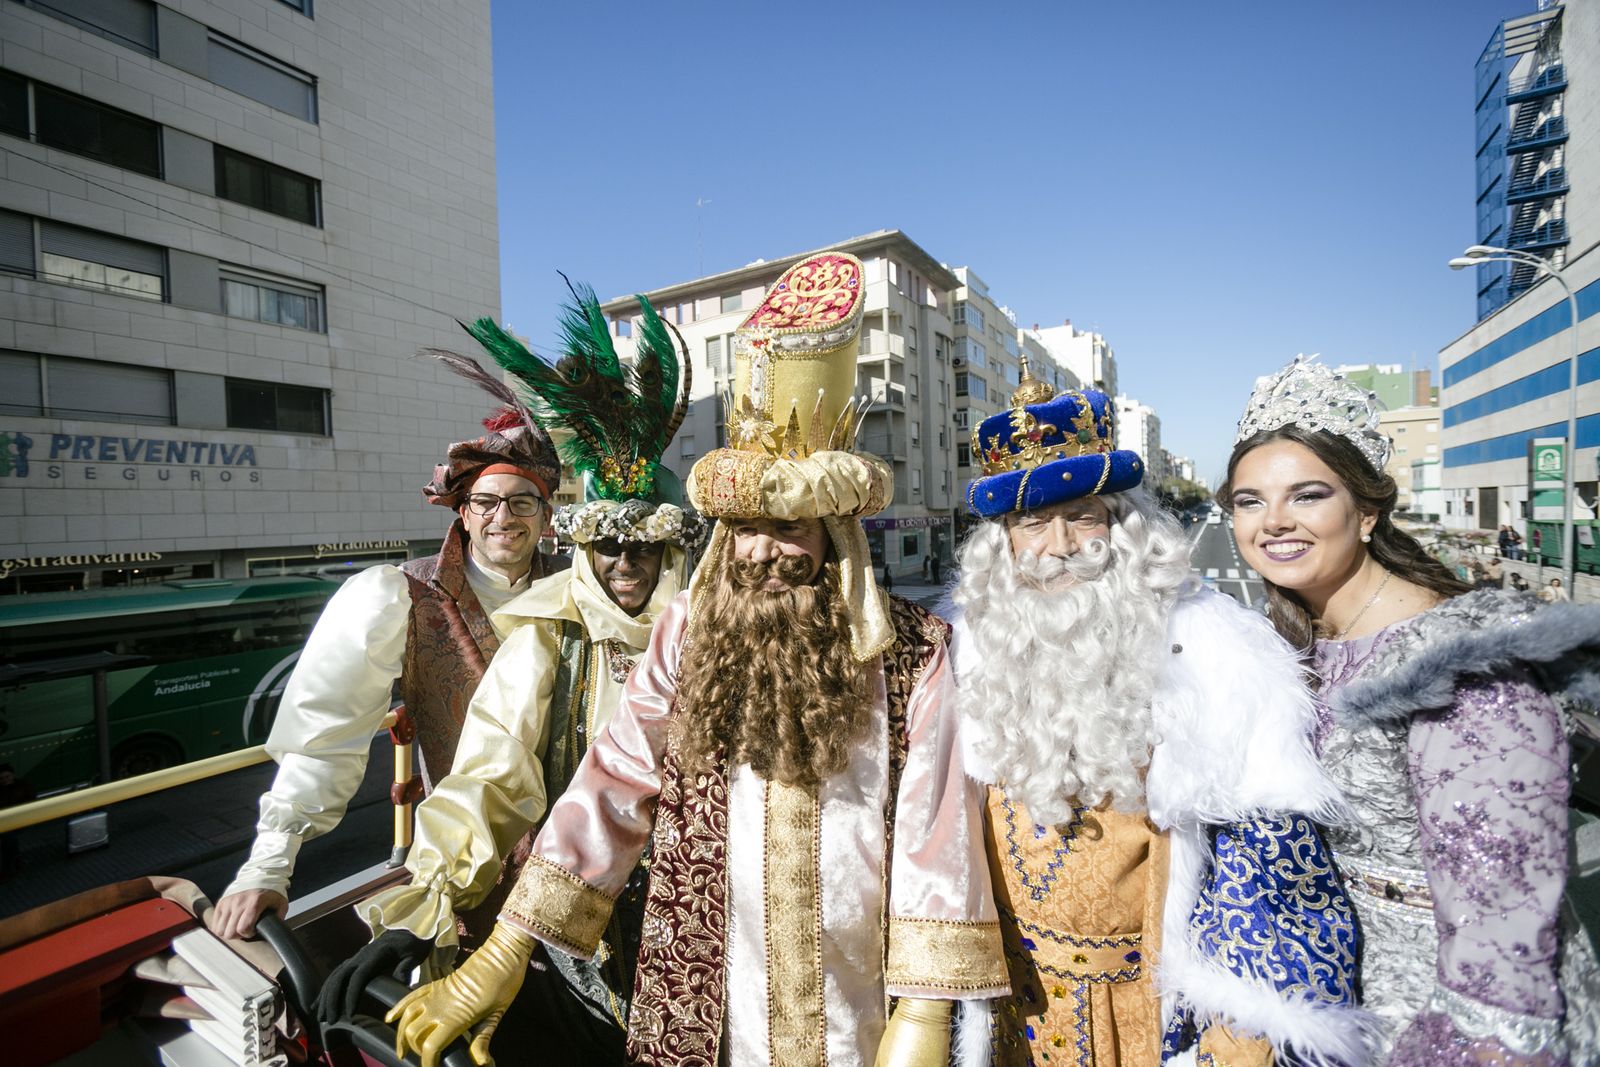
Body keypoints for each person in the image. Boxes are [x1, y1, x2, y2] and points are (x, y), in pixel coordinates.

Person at [384, 252, 1007, 1067]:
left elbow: (938, 838)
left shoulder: (914, 650)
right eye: (743, 528)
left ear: (836, 536)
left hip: (866, 1008)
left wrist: (924, 1014)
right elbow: (612, 782)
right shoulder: (688, 632)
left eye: (789, 528)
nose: (763, 550)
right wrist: (506, 946)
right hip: (709, 990)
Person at [318, 289, 708, 1060]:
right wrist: (417, 906)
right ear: (584, 545)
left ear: (671, 549)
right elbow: (488, 776)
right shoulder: (548, 633)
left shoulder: (713, 631)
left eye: (643, 547)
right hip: (575, 924)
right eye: (607, 545)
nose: (624, 566)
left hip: (702, 921)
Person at [955, 361, 1363, 1066]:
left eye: (1083, 516)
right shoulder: (968, 652)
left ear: (1125, 526)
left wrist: (1236, 1039)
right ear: (1004, 545)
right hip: (1010, 1018)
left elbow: (1270, 878)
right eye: (1032, 522)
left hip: (1146, 1018)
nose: (1060, 548)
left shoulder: (1217, 656)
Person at [1223, 355, 1600, 1063]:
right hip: (1338, 997)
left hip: (1444, 1012)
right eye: (1249, 501)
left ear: (1366, 511)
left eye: (1307, 495)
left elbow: (1504, 910)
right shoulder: (1288, 645)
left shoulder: (1460, 657)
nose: (1273, 521)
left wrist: (1473, 1039)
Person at [209, 403, 566, 942]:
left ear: (546, 516)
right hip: (467, 865)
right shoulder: (398, 595)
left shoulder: (580, 589)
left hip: (577, 859)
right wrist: (269, 865)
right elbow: (326, 733)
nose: (504, 518)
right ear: (462, 512)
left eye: (522, 502)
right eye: (486, 502)